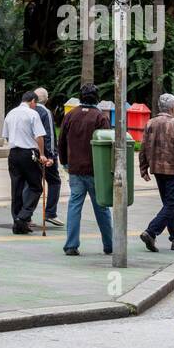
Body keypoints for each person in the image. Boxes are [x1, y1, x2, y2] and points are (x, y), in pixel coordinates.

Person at [58, 82, 113, 257]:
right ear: (96, 98)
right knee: (102, 207)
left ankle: (71, 245)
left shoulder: (70, 115)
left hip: (75, 168)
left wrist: (65, 163)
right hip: (96, 170)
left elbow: (61, 141)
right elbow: (107, 144)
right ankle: (109, 244)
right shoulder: (100, 117)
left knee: (74, 206)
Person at [139, 92, 174, 253]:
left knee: (168, 204)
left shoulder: (150, 123)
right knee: (171, 205)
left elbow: (143, 147)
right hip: (173, 169)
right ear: (172, 107)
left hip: (157, 169)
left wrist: (143, 168)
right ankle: (151, 232)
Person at [2, 90, 50, 234]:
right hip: (28, 153)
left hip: (13, 153)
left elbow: (6, 136)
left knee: (16, 188)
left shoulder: (10, 113)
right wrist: (42, 154)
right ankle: (23, 217)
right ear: (33, 101)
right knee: (36, 186)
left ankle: (18, 221)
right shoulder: (32, 114)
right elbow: (40, 136)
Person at [34, 86, 62, 227]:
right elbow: (49, 134)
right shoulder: (45, 112)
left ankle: (26, 214)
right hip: (44, 154)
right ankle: (50, 212)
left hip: (30, 152)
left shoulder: (29, 110)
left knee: (32, 183)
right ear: (47, 99)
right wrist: (51, 156)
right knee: (55, 181)